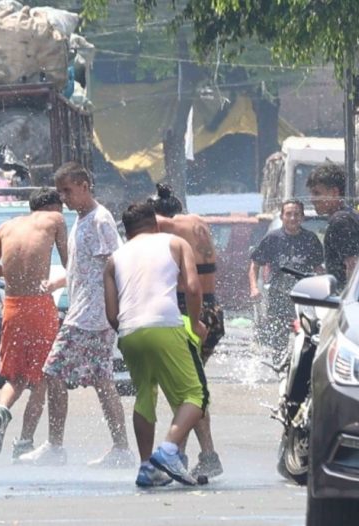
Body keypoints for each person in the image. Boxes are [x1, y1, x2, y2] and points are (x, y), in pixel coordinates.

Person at [17, 162, 135, 468]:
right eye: (61, 192)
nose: (64, 198)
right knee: (103, 381)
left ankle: (55, 446)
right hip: (88, 313)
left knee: (52, 372)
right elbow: (82, 267)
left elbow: (116, 264)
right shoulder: (82, 220)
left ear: (84, 185)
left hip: (91, 318)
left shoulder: (100, 220)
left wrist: (114, 311)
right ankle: (121, 449)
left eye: (68, 191)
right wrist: (58, 281)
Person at [104, 202, 209, 486]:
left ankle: (146, 466)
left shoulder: (114, 259)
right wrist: (196, 323)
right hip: (165, 324)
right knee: (196, 396)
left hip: (129, 331)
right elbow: (193, 287)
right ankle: (168, 449)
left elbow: (111, 314)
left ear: (126, 233)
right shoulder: (174, 243)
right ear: (156, 224)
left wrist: (131, 331)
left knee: (144, 396)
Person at [0, 188, 68, 460]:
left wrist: (16, 273)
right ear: (53, 206)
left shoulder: (6, 226)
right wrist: (56, 282)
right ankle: (25, 441)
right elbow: (71, 263)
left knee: (16, 377)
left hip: (12, 306)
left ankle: (0, 411)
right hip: (39, 306)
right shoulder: (55, 220)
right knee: (40, 379)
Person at [148, 183, 225, 479]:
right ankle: (182, 454)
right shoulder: (198, 223)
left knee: (188, 391)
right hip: (213, 310)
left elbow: (146, 223)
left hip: (192, 313)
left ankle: (197, 454)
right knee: (189, 387)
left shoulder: (168, 225)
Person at [248, 199, 324, 362]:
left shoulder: (310, 239)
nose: (292, 218)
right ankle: (279, 366)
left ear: (302, 218)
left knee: (307, 336)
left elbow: (319, 269)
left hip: (304, 297)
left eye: (297, 214)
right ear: (282, 217)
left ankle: (301, 369)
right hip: (279, 295)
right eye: (288, 214)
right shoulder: (272, 238)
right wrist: (254, 288)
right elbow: (255, 264)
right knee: (279, 337)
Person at [306, 163, 359, 291]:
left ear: (334, 192)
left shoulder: (340, 221)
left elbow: (353, 265)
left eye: (317, 193)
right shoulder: (351, 214)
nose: (312, 199)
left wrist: (349, 301)